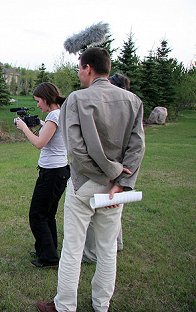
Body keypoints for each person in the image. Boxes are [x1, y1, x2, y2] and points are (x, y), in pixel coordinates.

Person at [36, 48, 145, 312]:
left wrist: (112, 175)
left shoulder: (76, 99)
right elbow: (137, 147)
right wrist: (119, 180)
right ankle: (101, 305)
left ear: (88, 68)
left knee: (73, 249)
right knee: (107, 249)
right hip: (115, 188)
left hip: (85, 185)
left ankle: (65, 306)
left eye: (79, 68)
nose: (78, 73)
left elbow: (75, 151)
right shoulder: (133, 101)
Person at [15, 82, 70, 268]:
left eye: (38, 101)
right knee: (48, 215)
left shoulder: (54, 116)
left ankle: (48, 258)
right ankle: (48, 251)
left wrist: (24, 127)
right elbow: (51, 132)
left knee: (37, 215)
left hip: (52, 173)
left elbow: (40, 143)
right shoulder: (59, 113)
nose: (38, 104)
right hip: (59, 171)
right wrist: (39, 123)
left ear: (46, 99)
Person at [82, 73, 131, 263]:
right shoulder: (129, 105)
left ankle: (91, 253)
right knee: (115, 209)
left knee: (98, 213)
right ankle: (116, 243)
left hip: (109, 170)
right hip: (121, 169)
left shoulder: (115, 107)